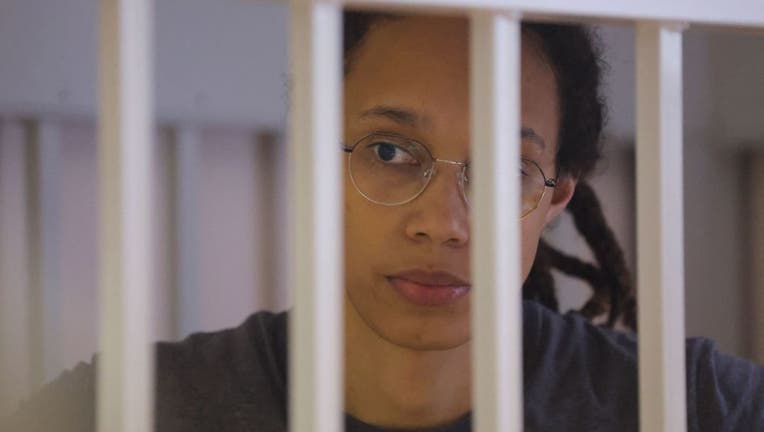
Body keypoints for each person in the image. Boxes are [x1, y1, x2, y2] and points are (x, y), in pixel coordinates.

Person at [3, 10, 763, 432]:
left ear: (554, 201)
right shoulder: (128, 411)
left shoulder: (693, 408)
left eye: (504, 170)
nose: (443, 223)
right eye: (390, 150)